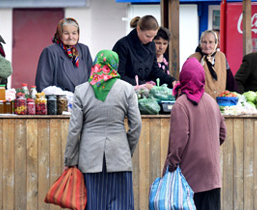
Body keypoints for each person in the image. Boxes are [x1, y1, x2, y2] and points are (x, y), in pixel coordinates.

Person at [64, 50, 142, 210]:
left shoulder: (81, 90)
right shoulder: (127, 89)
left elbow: (74, 130)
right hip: (119, 157)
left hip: (90, 158)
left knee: (94, 204)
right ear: (115, 66)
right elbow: (136, 125)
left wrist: (70, 160)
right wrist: (127, 149)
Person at [163, 57, 226, 210]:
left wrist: (171, 164)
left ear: (183, 77)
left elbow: (179, 140)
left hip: (190, 176)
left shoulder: (181, 104)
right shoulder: (212, 101)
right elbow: (222, 134)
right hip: (212, 175)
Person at [112, 15, 176, 89]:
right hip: (126, 91)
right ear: (138, 29)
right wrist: (142, 85)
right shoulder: (122, 45)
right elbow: (118, 76)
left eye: (153, 36)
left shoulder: (151, 45)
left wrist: (171, 80)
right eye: (148, 36)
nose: (151, 40)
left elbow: (155, 71)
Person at [35, 17, 92, 92]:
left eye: (74, 33)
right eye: (66, 33)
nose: (71, 37)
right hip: (60, 102)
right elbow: (43, 85)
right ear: (59, 34)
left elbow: (91, 79)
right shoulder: (50, 51)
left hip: (82, 101)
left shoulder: (84, 50)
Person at [189, 30, 238, 99]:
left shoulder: (221, 57)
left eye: (211, 42)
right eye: (204, 42)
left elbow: (230, 80)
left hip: (220, 102)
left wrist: (238, 96)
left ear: (216, 43)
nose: (207, 46)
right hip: (201, 102)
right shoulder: (193, 59)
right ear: (200, 43)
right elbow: (187, 82)